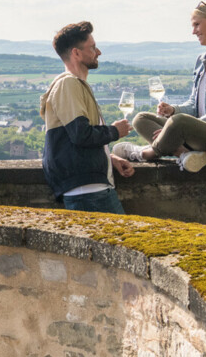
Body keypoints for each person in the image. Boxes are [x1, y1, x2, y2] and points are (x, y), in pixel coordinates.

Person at [128, 0, 206, 173]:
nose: (193, 31)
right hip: (200, 139)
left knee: (178, 123)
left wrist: (183, 128)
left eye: (197, 24)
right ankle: (184, 154)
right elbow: (194, 104)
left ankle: (148, 153)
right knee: (141, 119)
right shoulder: (202, 60)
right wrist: (173, 110)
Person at [40, 21, 135, 214]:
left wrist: (109, 158)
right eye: (92, 47)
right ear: (76, 53)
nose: (98, 52)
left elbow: (74, 141)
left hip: (90, 189)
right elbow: (80, 134)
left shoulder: (75, 85)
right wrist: (115, 131)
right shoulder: (69, 84)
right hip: (89, 192)